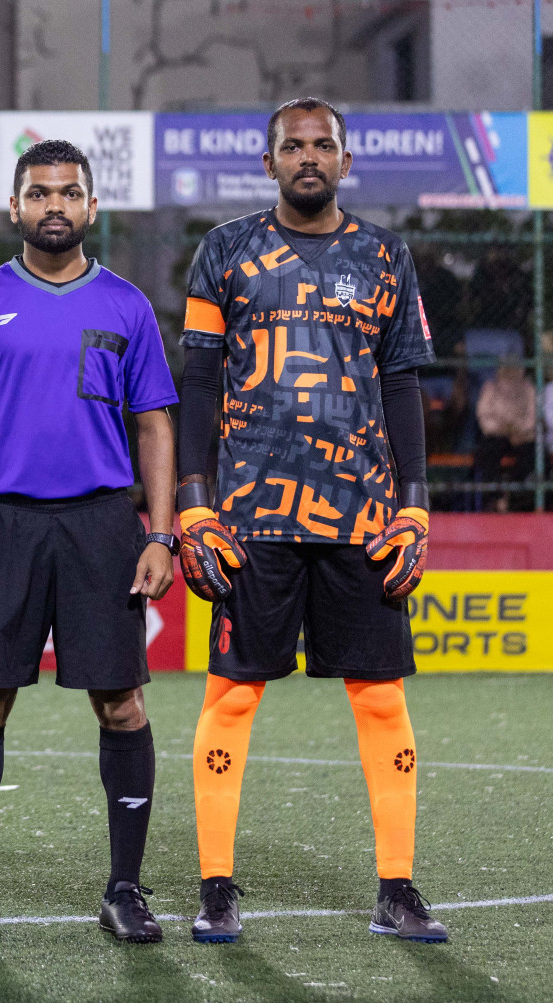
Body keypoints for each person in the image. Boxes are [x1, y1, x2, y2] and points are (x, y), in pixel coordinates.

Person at [176, 97, 447, 944]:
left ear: (345, 158)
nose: (307, 156)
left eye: (321, 144)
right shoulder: (223, 251)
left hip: (363, 518)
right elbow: (197, 384)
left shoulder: (386, 256)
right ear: (268, 163)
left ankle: (397, 888)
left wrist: (416, 502)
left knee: (380, 700)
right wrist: (192, 501)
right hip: (251, 517)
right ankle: (216, 887)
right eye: (291, 145)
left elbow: (402, 384)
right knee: (230, 697)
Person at [0, 141, 179, 944]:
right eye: (39, 194)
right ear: (16, 208)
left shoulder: (128, 305)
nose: (55, 205)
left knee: (123, 703)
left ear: (92, 208)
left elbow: (155, 426)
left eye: (70, 192)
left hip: (104, 523)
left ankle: (124, 889)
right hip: (1, 523)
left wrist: (161, 533)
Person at [473, 356, 536, 511]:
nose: (511, 371)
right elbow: (484, 418)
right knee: (487, 452)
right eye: (507, 367)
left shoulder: (528, 388)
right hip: (497, 435)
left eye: (515, 367)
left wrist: (517, 428)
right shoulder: (491, 387)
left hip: (521, 436)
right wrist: (505, 427)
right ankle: (495, 497)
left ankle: (515, 498)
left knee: (531, 453)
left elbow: (532, 419)